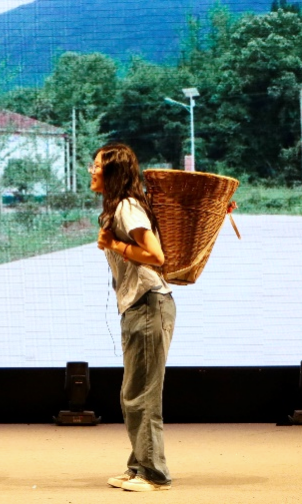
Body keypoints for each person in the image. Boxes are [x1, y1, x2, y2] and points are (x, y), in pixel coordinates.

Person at [88, 143, 176, 492]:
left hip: (148, 303)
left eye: (97, 166)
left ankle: (154, 474)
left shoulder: (126, 207)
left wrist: (115, 245)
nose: (92, 171)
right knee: (134, 392)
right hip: (139, 305)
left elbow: (156, 255)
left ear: (113, 172)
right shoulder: (119, 207)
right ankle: (139, 464)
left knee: (142, 394)